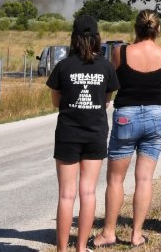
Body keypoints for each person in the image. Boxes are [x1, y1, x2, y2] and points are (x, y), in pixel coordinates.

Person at [92, 10, 161, 249]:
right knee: (144, 178)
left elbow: (113, 79)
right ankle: (136, 235)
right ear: (158, 29)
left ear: (135, 28)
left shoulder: (121, 52)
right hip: (157, 114)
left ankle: (108, 232)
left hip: (126, 116)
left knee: (115, 179)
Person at [46, 15, 119, 252]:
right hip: (95, 133)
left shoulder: (63, 66)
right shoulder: (105, 67)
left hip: (68, 133)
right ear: (97, 38)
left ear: (74, 38)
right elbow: (106, 101)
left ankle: (61, 249)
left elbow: (56, 101)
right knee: (88, 191)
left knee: (66, 194)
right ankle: (80, 248)